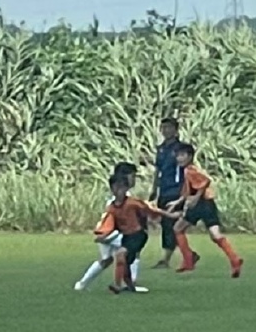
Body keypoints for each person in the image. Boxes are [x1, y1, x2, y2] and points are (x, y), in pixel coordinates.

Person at [168, 143, 243, 277]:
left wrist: (196, 198)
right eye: (177, 155)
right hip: (208, 203)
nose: (179, 158)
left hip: (201, 203)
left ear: (190, 156)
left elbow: (205, 181)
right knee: (215, 234)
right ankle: (234, 258)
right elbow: (188, 190)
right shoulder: (189, 170)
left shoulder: (190, 170)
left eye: (182, 155)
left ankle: (188, 259)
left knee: (178, 229)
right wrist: (178, 202)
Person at [97, 173, 176, 294]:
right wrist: (103, 235)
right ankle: (129, 285)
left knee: (120, 254)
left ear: (126, 188)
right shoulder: (111, 208)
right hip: (127, 237)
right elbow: (109, 225)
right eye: (115, 187)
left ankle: (117, 285)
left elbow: (151, 210)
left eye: (121, 187)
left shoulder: (133, 203)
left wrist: (169, 215)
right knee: (125, 262)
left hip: (138, 235)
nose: (118, 191)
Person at [73, 163, 143, 291]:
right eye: (133, 176)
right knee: (132, 250)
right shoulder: (123, 197)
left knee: (106, 260)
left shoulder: (117, 193)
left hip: (104, 231)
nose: (134, 179)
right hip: (112, 232)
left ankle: (81, 284)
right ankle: (130, 283)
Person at [150, 117, 184, 268]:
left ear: (175, 130)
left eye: (169, 127)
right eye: (163, 128)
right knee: (166, 223)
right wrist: (154, 188)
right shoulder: (161, 148)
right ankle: (188, 254)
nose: (166, 130)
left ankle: (166, 259)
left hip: (176, 190)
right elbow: (158, 170)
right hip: (164, 190)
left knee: (171, 224)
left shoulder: (180, 149)